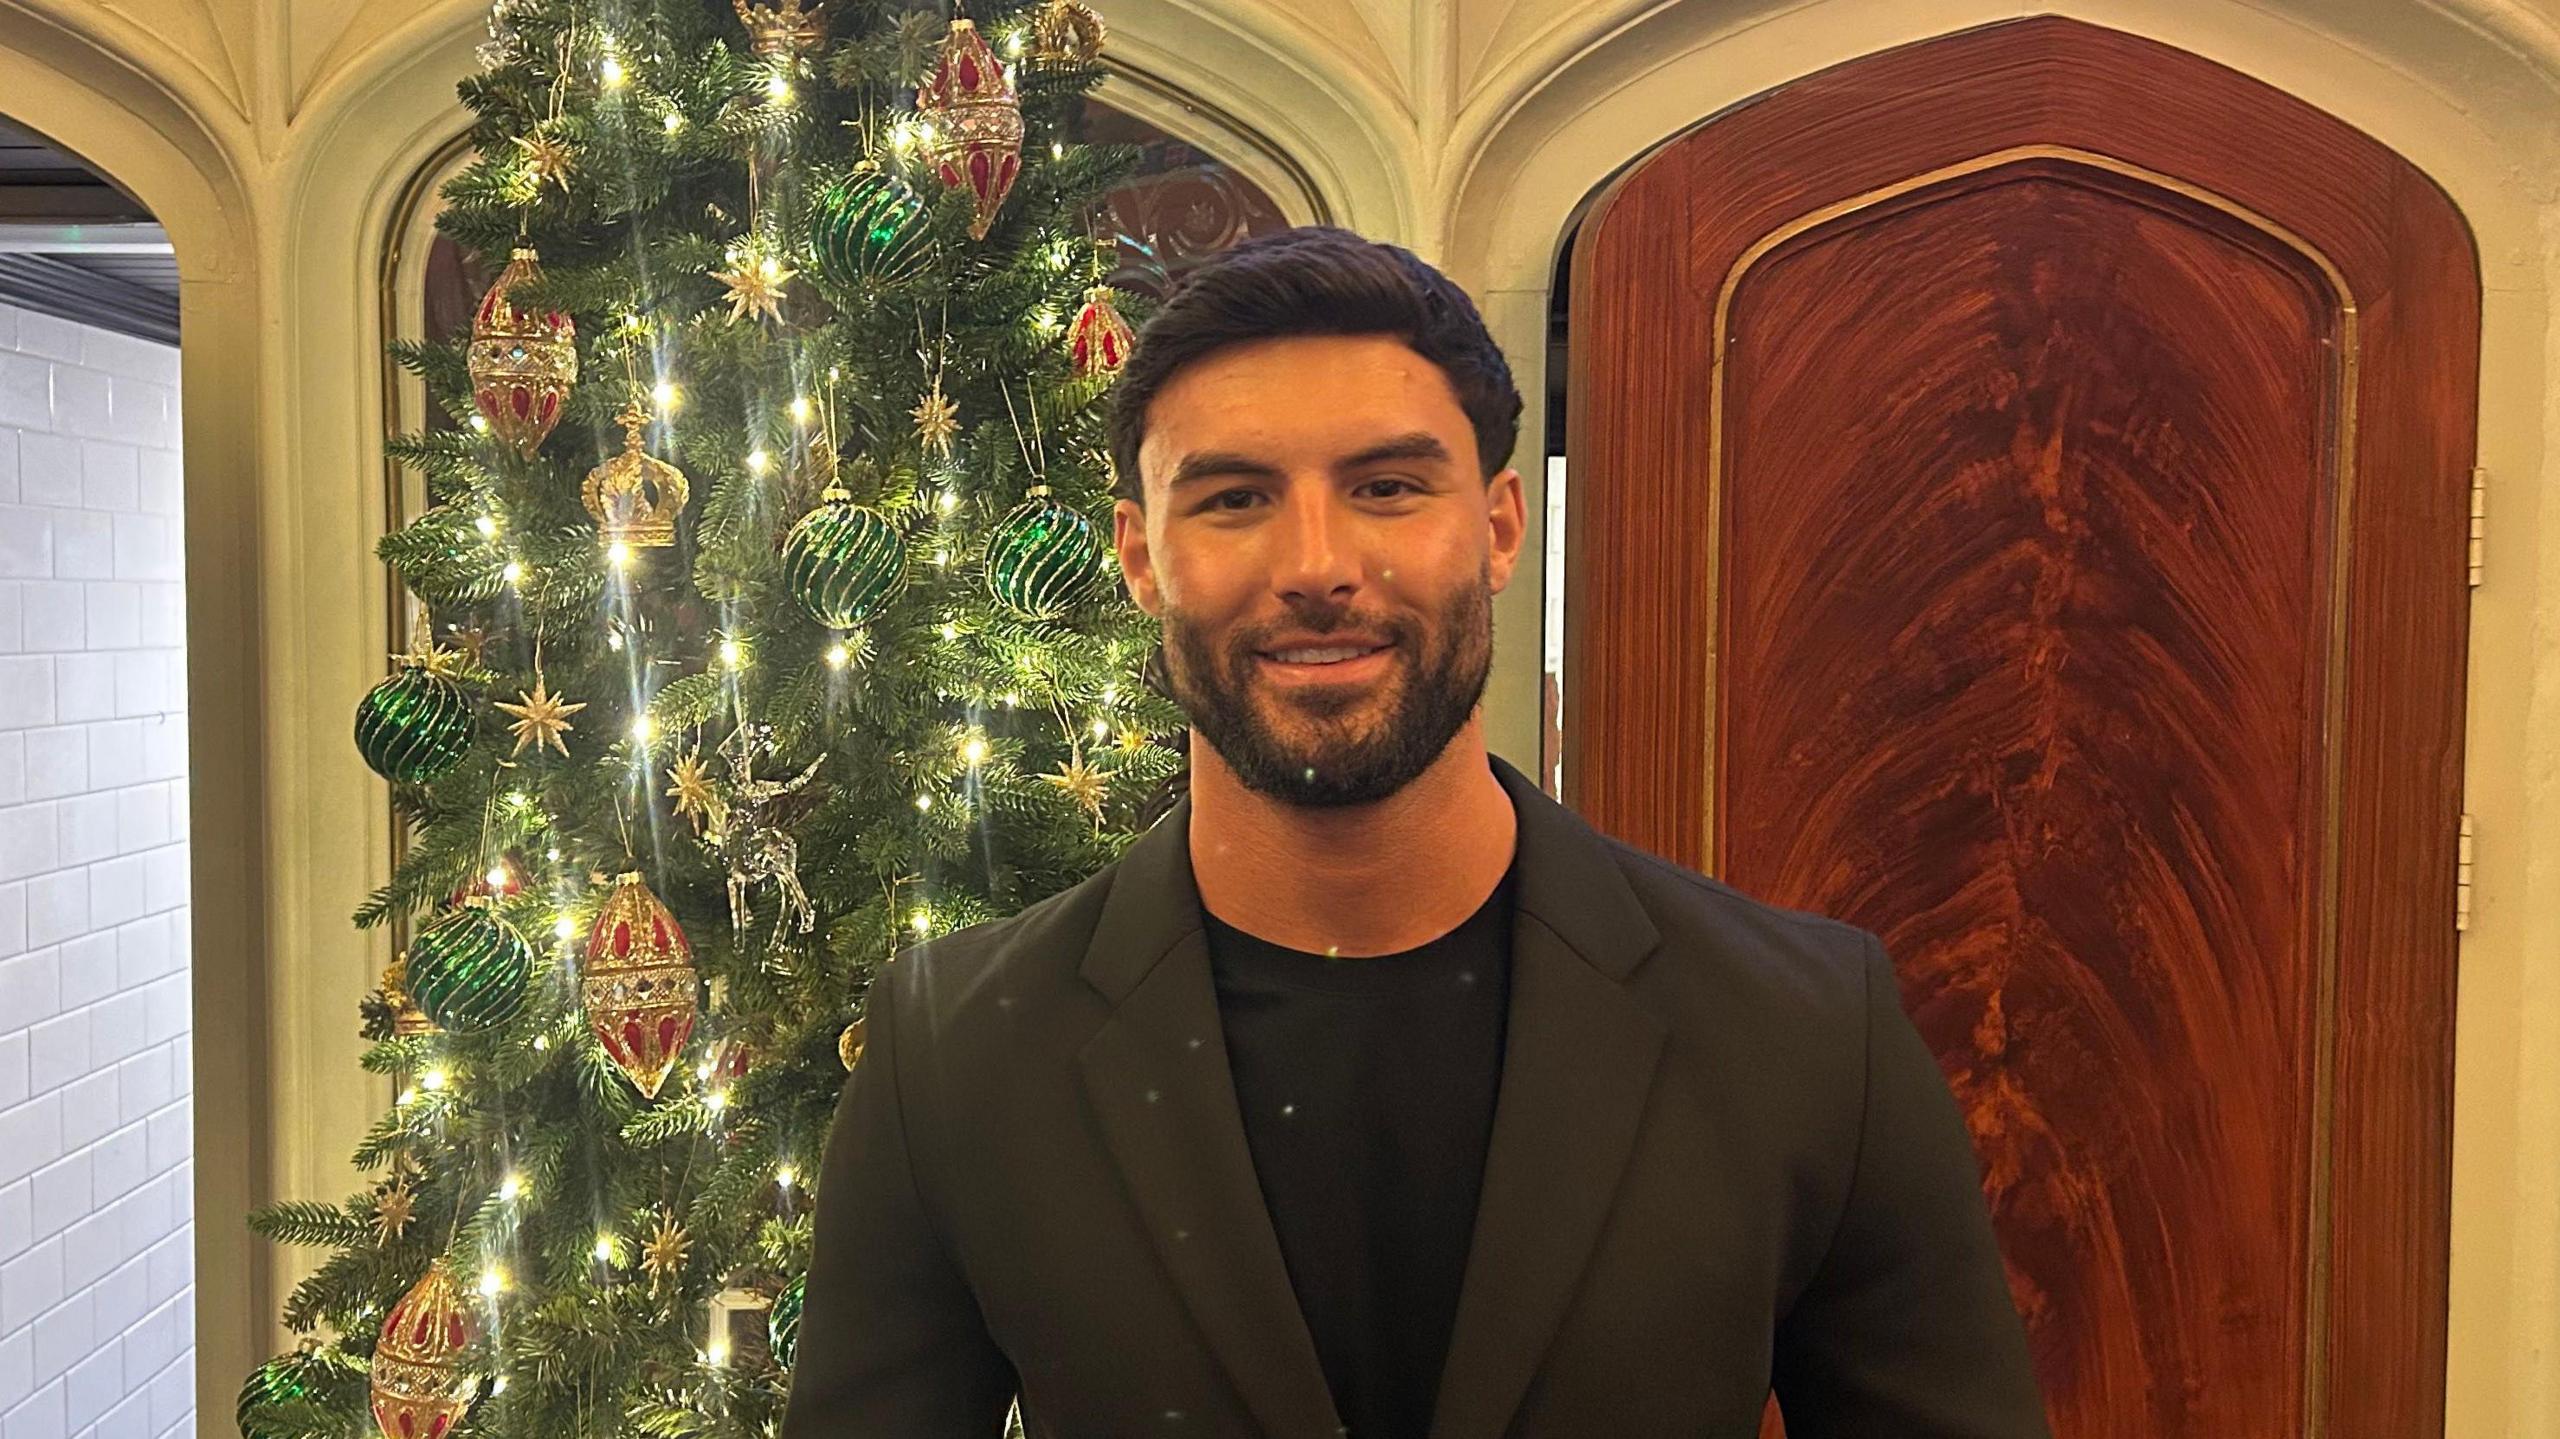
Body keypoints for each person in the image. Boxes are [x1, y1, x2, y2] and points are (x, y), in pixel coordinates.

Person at [779, 225, 2051, 1438]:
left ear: (1497, 527)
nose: (1317, 563)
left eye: (1387, 486)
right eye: (1232, 498)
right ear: (1140, 557)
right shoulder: (953, 1053)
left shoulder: (1808, 1030)